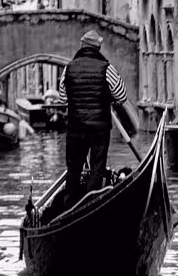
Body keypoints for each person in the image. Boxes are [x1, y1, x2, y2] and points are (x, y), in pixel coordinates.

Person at [57, 29, 134, 204]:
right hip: (99, 128)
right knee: (96, 168)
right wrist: (108, 97)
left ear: (81, 47)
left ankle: (70, 206)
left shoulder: (68, 68)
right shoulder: (107, 68)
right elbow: (122, 96)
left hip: (75, 128)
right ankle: (91, 203)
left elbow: (62, 99)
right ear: (97, 48)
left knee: (74, 169)